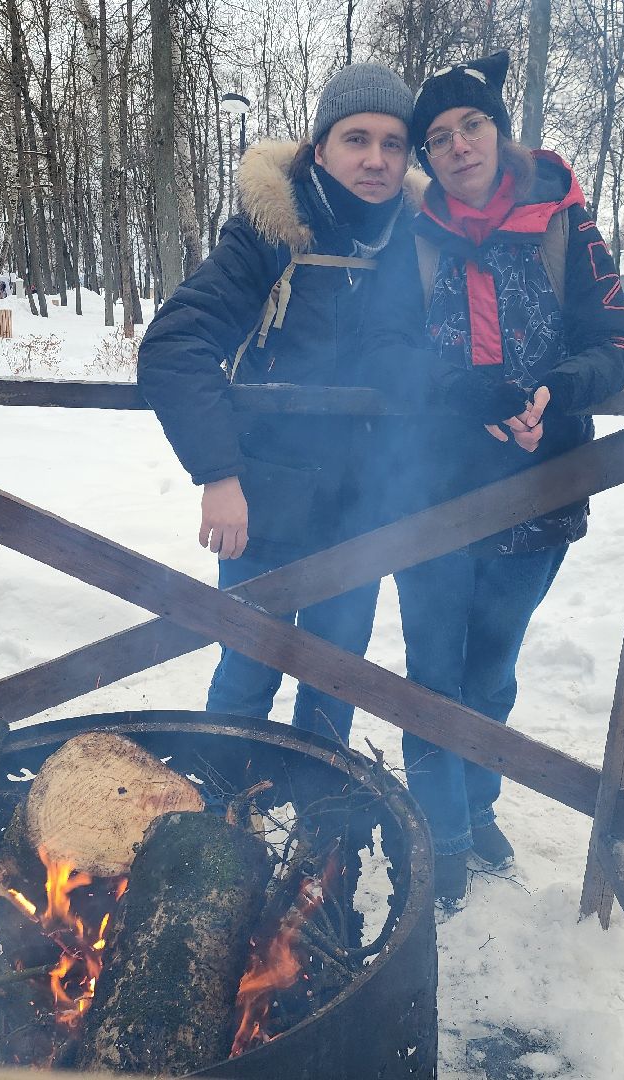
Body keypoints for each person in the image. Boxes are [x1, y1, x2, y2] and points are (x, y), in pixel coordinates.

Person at [367, 52, 624, 907]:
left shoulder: (565, 223)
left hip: (541, 493)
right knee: (430, 674)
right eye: (438, 137)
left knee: (491, 672)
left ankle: (476, 806)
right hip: (430, 496)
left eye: (471, 126)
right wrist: (458, 391)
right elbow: (387, 352)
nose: (456, 146)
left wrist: (558, 394)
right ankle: (438, 834)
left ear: (499, 129)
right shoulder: (409, 240)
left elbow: (618, 343)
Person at [138, 64, 418, 745]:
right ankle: (223, 825)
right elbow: (174, 348)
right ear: (320, 148)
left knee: (336, 681)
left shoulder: (418, 241)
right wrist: (219, 476)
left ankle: (320, 840)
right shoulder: (269, 231)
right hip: (262, 503)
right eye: (356, 139)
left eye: (391, 142)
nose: (375, 159)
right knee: (246, 672)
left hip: (363, 509)